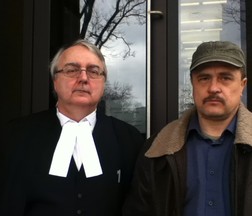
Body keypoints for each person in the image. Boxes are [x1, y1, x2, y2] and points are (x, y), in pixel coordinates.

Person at [123, 41, 252, 216]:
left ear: (242, 85)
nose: (213, 88)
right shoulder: (156, 149)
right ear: (193, 84)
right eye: (204, 78)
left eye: (225, 77)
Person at [0, 39, 144, 216]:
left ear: (103, 83)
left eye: (93, 71)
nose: (83, 78)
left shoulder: (129, 139)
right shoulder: (17, 136)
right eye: (71, 70)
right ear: (55, 81)